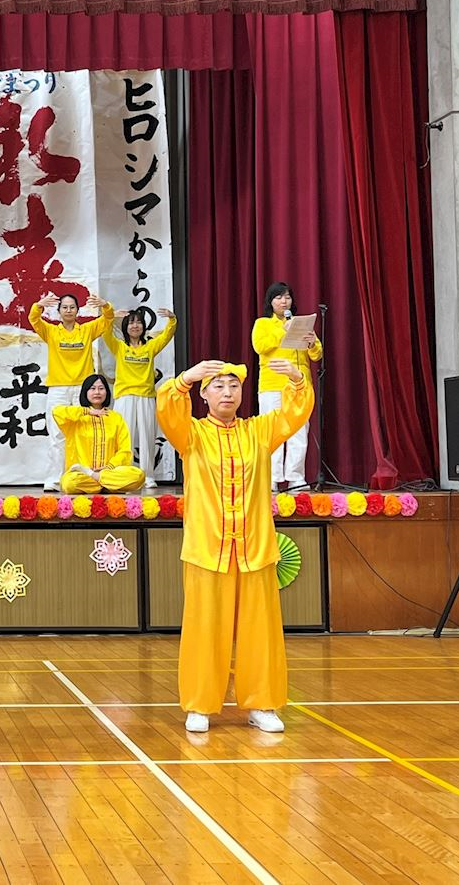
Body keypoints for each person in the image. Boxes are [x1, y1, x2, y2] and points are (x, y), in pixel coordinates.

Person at [156, 358, 312, 735]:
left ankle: (262, 703)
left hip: (254, 548)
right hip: (208, 549)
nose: (227, 393)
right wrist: (185, 380)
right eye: (218, 386)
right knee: (205, 630)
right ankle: (200, 705)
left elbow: (294, 414)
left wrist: (297, 379)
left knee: (261, 632)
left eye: (234, 386)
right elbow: (167, 409)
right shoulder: (191, 434)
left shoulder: (259, 431)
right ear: (204, 395)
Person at [28, 291, 114, 491]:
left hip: (83, 388)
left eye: (72, 307)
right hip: (58, 388)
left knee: (83, 433)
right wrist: (39, 305)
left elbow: (108, 319)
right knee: (57, 435)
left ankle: (82, 478)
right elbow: (34, 319)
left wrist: (105, 304)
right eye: (65, 307)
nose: (68, 310)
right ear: (59, 311)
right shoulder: (51, 331)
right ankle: (54, 479)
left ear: (77, 311)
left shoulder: (87, 330)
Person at [251, 281, 322, 490]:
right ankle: (272, 477)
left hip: (299, 384)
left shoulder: (300, 323)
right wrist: (283, 330)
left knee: (298, 431)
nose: (284, 301)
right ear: (270, 302)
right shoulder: (263, 324)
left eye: (288, 297)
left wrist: (312, 342)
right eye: (279, 297)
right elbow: (260, 346)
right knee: (273, 430)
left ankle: (296, 477)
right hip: (273, 384)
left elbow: (317, 355)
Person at [102, 306, 177, 489]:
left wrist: (172, 319)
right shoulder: (119, 346)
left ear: (144, 326)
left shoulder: (150, 347)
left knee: (147, 437)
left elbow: (166, 336)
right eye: (131, 323)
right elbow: (105, 333)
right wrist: (110, 316)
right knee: (124, 438)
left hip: (146, 397)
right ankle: (124, 475)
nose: (135, 326)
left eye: (138, 322)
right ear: (125, 327)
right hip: (125, 397)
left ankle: (147, 476)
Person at [52, 374, 146, 494]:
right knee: (70, 483)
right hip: (82, 474)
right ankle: (108, 485)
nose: (97, 392)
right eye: (92, 388)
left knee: (139, 476)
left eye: (101, 388)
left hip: (109, 472)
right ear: (85, 392)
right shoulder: (76, 418)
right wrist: (87, 411)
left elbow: (124, 451)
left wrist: (109, 467)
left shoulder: (116, 418)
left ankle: (97, 479)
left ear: (107, 392)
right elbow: (57, 412)